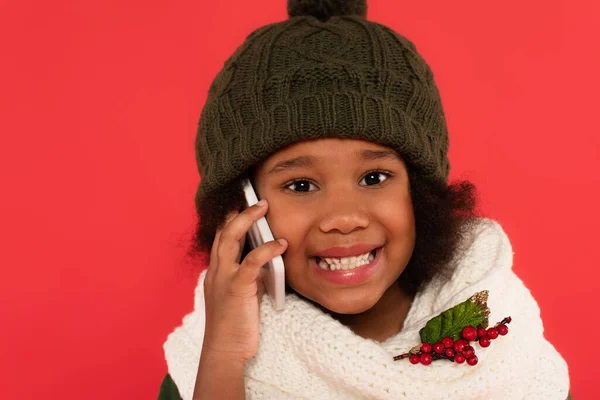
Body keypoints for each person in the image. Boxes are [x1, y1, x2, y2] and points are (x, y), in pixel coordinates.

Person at [159, 1, 571, 398]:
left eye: (374, 178)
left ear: (420, 195)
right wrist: (225, 354)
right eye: (301, 186)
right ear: (240, 209)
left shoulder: (506, 345)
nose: (344, 218)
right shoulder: (205, 362)